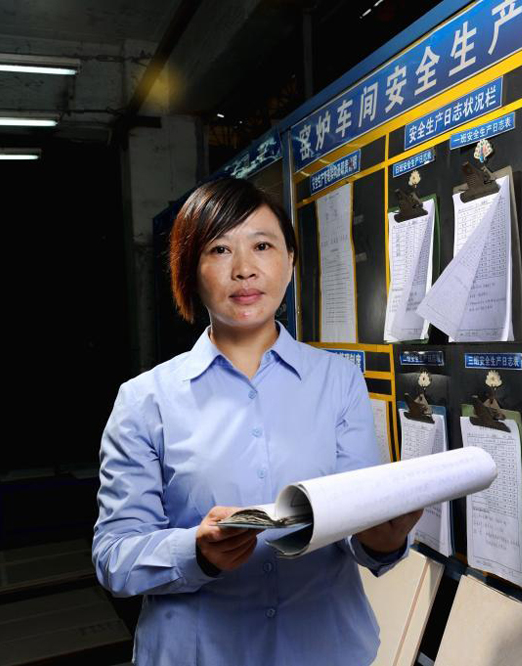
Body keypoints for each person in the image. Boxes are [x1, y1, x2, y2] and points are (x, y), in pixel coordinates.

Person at [91, 176, 421, 665]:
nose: (244, 269)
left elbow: (355, 521)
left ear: (290, 261)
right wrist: (195, 551)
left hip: (324, 650)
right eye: (220, 250)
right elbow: (114, 556)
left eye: (262, 246)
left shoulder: (338, 381)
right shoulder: (145, 401)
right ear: (191, 271)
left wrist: (383, 538)